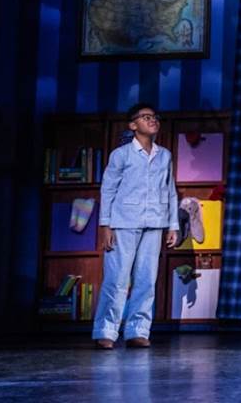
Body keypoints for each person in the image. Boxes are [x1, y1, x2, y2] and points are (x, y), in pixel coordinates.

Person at [92, 103, 178, 349]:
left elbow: (170, 191)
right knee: (117, 279)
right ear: (133, 125)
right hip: (124, 223)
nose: (152, 120)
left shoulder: (164, 155)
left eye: (155, 117)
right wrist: (105, 225)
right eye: (145, 117)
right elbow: (108, 189)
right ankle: (106, 330)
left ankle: (137, 330)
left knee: (146, 280)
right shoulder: (121, 155)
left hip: (154, 223)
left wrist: (172, 225)